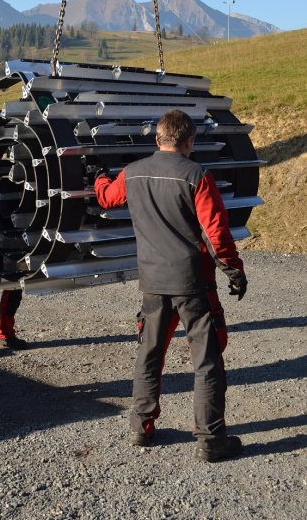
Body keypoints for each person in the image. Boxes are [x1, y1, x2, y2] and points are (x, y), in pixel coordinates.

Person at [95, 109, 248, 462]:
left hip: (152, 282)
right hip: (194, 283)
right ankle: (210, 440)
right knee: (207, 361)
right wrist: (233, 271)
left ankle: (140, 427)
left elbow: (106, 198)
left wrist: (101, 178)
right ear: (190, 141)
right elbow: (216, 233)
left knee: (149, 354)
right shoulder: (197, 176)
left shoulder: (133, 173)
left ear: (157, 139)